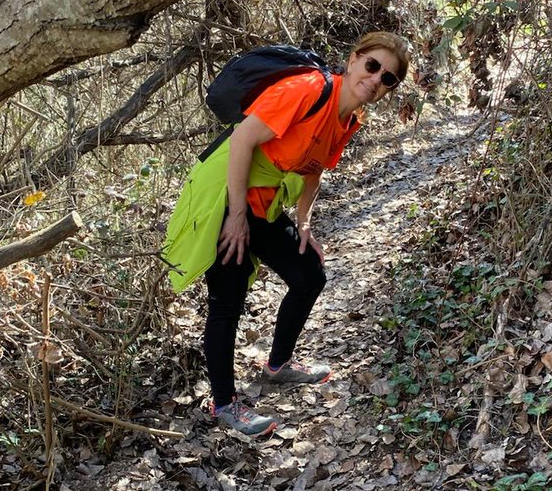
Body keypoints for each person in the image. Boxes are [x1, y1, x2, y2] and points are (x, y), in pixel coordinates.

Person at [165, 31, 410, 436]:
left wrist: (304, 223)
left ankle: (277, 366)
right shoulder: (308, 89)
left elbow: (314, 168)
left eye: (388, 78)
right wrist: (237, 217)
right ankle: (224, 404)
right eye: (372, 65)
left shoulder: (348, 118)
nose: (376, 78)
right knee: (228, 300)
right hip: (226, 193)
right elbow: (243, 138)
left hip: (263, 201)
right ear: (353, 60)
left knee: (309, 273)